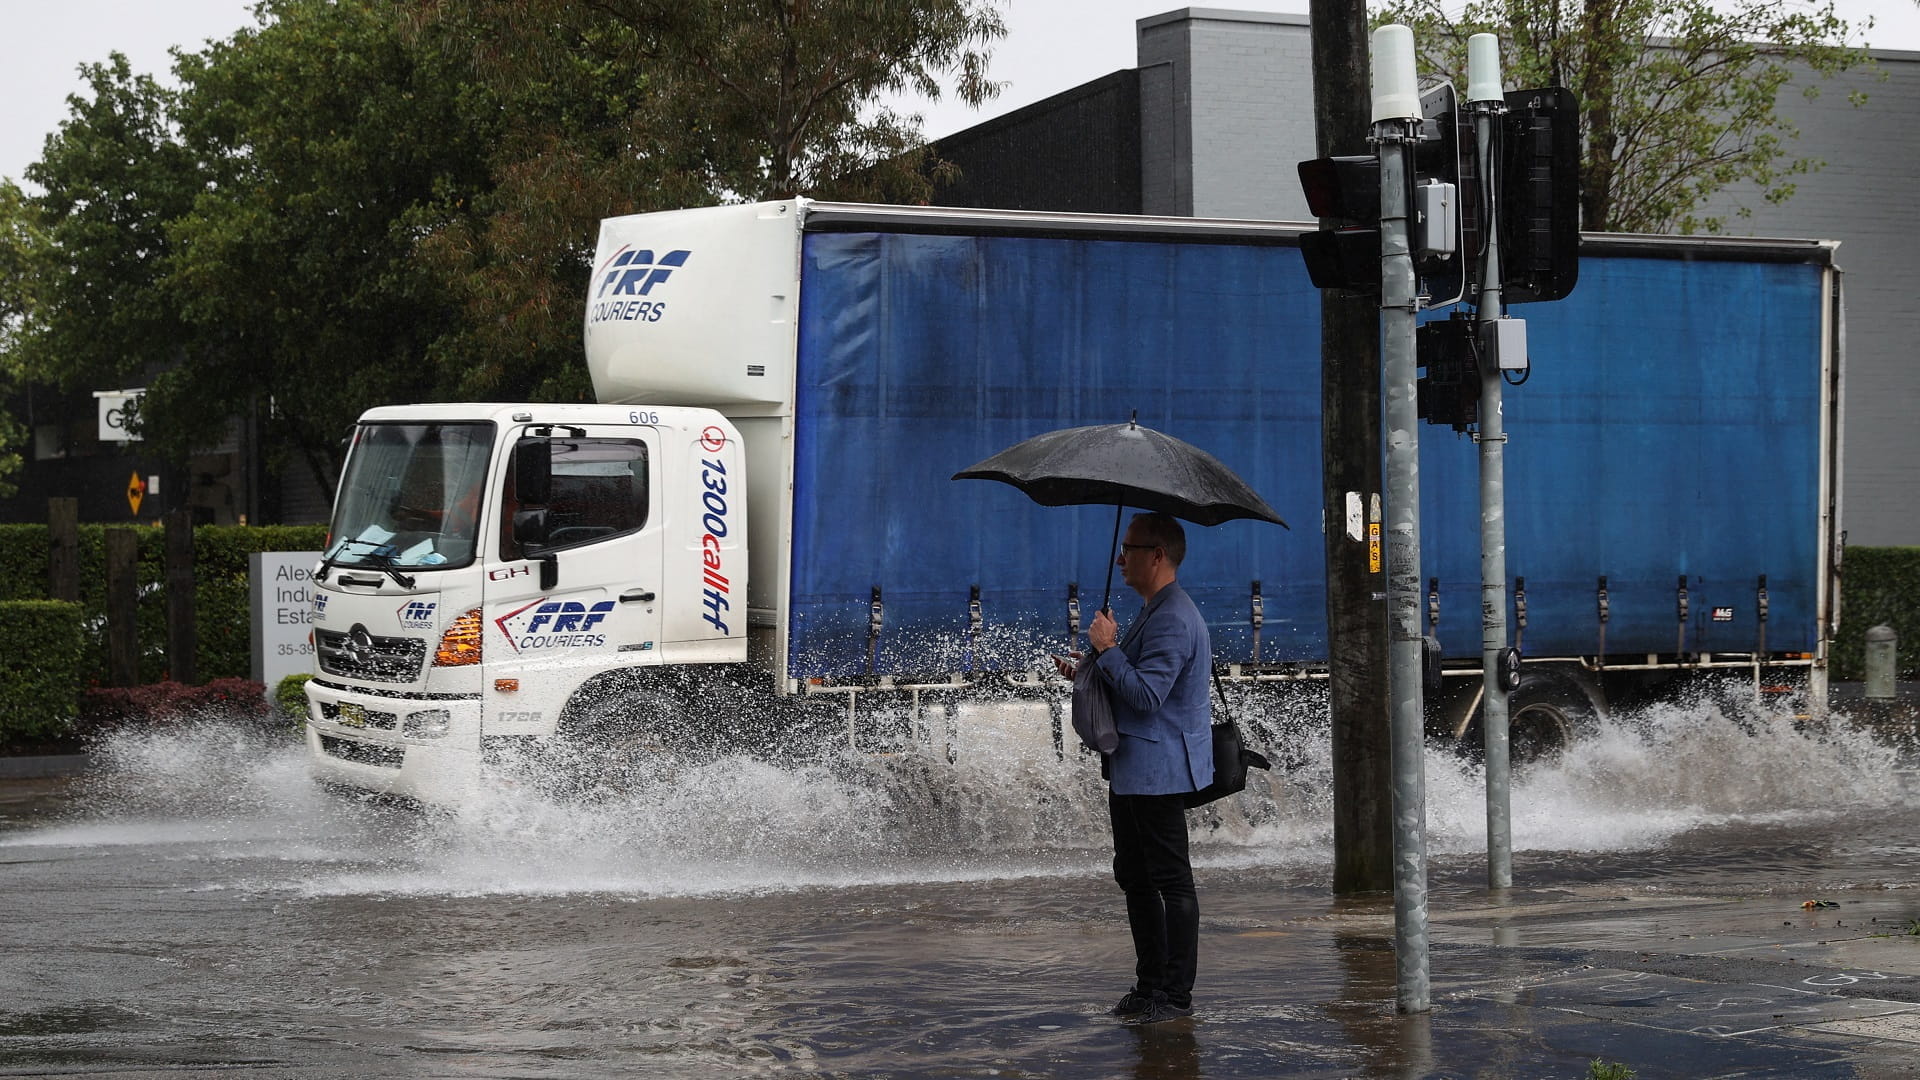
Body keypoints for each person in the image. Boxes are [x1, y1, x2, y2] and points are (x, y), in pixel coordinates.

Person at [1056, 511, 1213, 1024]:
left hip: (1158, 770)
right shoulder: (1155, 609)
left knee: (1169, 879)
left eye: (1130, 549)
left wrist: (1107, 648)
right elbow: (1133, 679)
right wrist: (1091, 666)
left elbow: (1147, 696)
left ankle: (1175, 996)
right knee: (1135, 876)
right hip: (1135, 767)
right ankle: (1149, 987)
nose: (1120, 560)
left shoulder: (1173, 617)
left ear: (1158, 556)